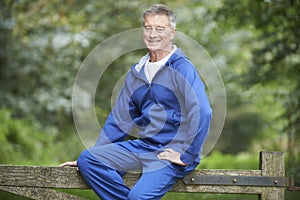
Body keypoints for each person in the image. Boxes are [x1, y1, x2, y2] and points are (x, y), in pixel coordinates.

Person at [60, 4, 212, 200]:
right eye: (148, 28)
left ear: (172, 33)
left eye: (160, 29)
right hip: (145, 147)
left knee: (138, 197)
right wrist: (99, 153)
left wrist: (186, 156)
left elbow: (203, 111)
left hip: (170, 153)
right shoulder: (136, 73)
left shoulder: (183, 69)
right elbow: (120, 119)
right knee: (88, 160)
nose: (153, 34)